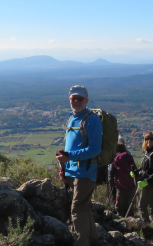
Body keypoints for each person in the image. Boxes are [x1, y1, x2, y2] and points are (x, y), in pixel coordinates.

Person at [56, 85, 102, 246]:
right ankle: (93, 240)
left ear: (86, 100)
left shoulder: (92, 120)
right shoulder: (72, 119)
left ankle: (82, 242)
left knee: (76, 209)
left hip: (85, 172)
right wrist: (64, 168)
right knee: (84, 207)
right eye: (73, 99)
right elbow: (71, 148)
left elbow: (95, 149)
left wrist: (69, 157)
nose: (75, 101)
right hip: (73, 171)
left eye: (79, 99)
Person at [109, 142, 137, 217]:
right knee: (130, 207)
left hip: (120, 186)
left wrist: (111, 185)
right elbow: (135, 170)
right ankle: (131, 223)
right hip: (131, 185)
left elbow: (111, 173)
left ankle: (121, 223)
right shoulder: (129, 157)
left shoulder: (116, 159)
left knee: (120, 207)